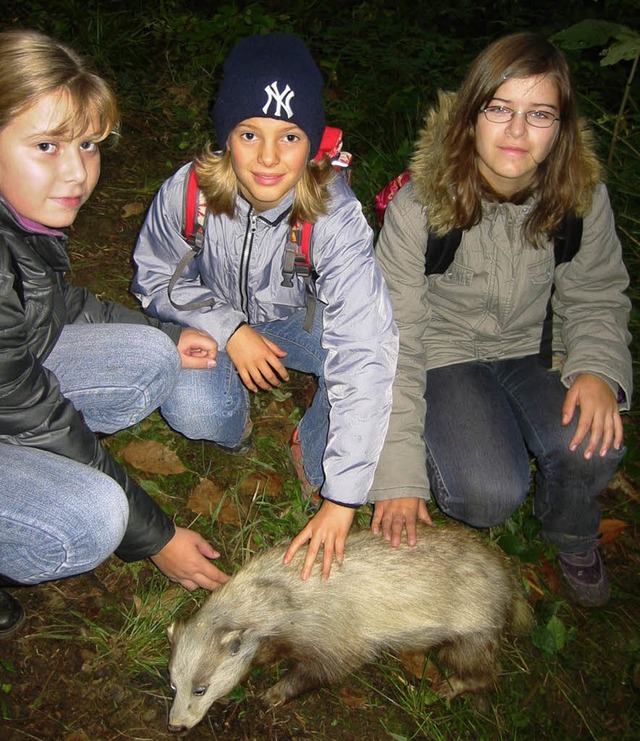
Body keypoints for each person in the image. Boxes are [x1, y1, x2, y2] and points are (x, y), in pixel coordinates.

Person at [369, 31, 632, 607]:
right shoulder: (419, 206)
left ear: (560, 127)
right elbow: (396, 344)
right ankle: (478, 438)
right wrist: (399, 475)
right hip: (443, 354)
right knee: (485, 494)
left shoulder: (582, 198)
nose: (517, 132)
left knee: (596, 442)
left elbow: (597, 295)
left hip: (535, 351)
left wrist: (597, 369)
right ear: (469, 115)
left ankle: (570, 530)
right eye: (500, 109)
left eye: (539, 114)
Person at [131, 33, 398, 580]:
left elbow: (365, 347)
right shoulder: (190, 192)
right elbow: (153, 278)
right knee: (198, 412)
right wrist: (229, 328)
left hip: (293, 321)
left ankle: (313, 445)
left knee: (374, 355)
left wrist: (343, 498)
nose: (269, 158)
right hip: (211, 315)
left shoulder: (334, 212)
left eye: (290, 136)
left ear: (315, 143)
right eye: (250, 133)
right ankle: (238, 430)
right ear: (226, 134)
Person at [0, 29, 231, 639]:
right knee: (94, 516)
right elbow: (35, 412)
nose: (77, 172)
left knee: (150, 353)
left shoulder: (20, 219)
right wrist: (157, 538)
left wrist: (161, 330)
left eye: (89, 145)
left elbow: (50, 306)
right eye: (46, 145)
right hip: (16, 404)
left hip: (11, 396)